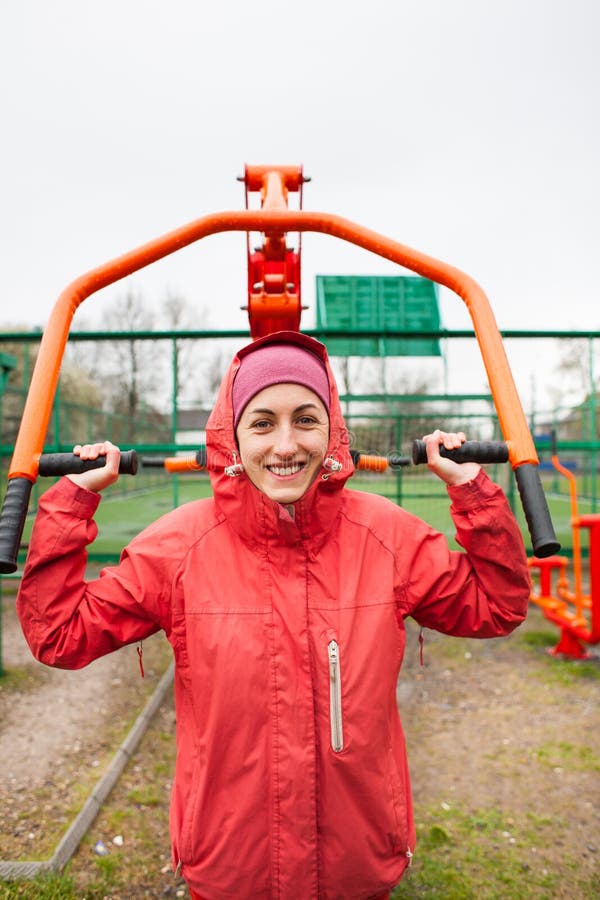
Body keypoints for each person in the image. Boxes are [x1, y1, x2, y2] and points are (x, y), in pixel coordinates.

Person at [17, 330, 531, 900]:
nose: (285, 445)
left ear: (331, 430)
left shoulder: (386, 539)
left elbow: (498, 606)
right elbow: (58, 635)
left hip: (356, 865)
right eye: (262, 423)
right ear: (232, 437)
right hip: (231, 867)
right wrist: (71, 502)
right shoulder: (179, 549)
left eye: (305, 419)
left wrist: (473, 491)